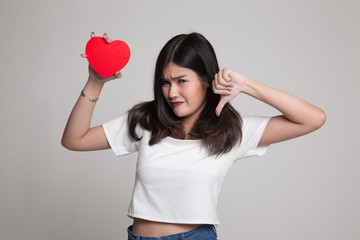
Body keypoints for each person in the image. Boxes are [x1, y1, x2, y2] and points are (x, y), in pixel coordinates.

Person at [61, 32, 326, 240]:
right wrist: (95, 80)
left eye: (181, 80)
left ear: (206, 80)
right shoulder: (147, 121)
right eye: (165, 82)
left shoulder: (233, 130)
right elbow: (74, 140)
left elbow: (313, 118)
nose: (172, 92)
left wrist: (246, 85)